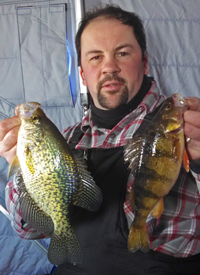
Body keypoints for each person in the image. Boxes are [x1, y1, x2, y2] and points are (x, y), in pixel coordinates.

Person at [1, 4, 200, 275]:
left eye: (122, 52)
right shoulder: (65, 139)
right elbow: (27, 229)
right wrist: (23, 169)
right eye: (95, 57)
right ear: (82, 73)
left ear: (144, 62)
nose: (109, 67)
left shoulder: (185, 128)